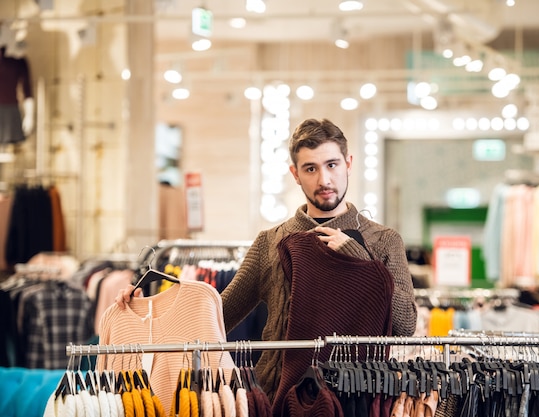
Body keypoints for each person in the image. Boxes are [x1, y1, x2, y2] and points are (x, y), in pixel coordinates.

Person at [116, 118, 417, 401]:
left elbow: (406, 324)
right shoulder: (270, 242)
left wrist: (359, 261)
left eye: (332, 165)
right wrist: (144, 310)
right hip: (279, 396)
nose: (324, 179)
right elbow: (216, 316)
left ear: (348, 164)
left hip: (357, 396)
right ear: (295, 174)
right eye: (311, 169)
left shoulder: (383, 240)